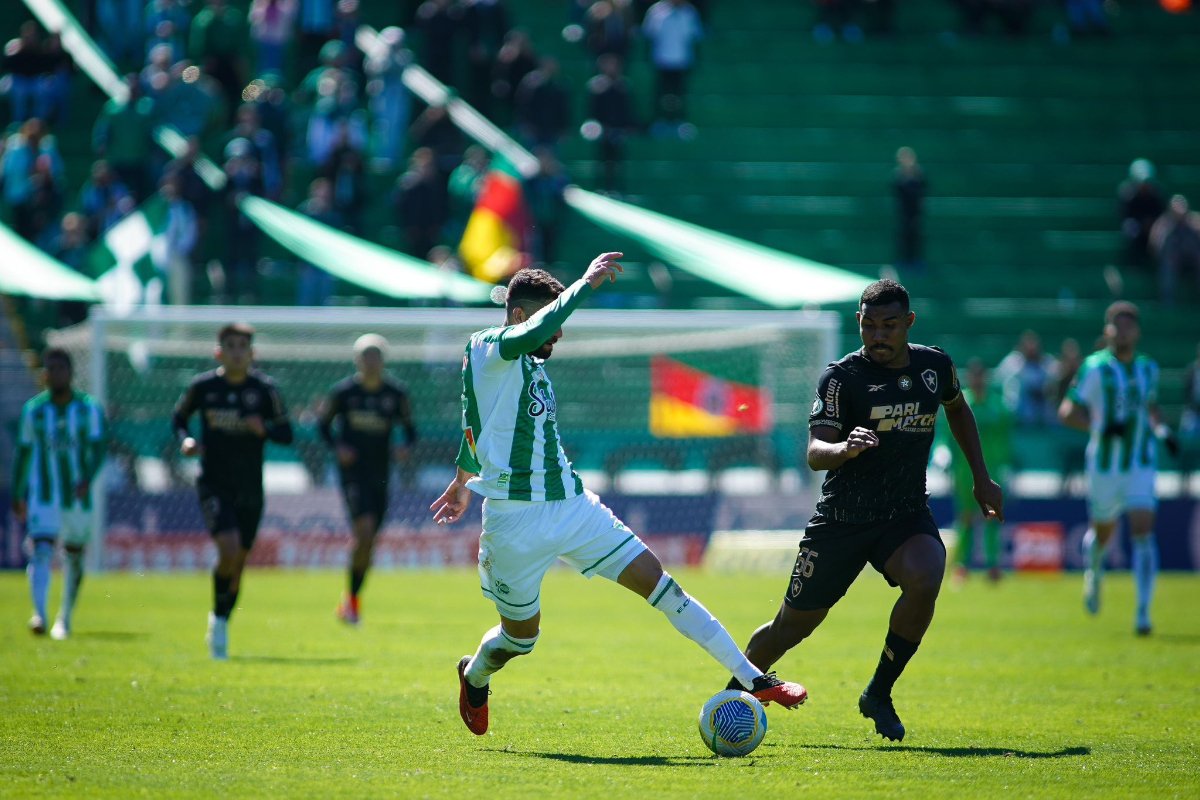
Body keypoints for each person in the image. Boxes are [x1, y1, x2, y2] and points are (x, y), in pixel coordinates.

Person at [430, 254, 808, 736]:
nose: (560, 334)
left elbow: (481, 426)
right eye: (552, 321)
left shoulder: (524, 361)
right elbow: (496, 387)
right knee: (521, 639)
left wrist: (462, 481)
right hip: (514, 521)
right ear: (523, 315)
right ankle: (475, 675)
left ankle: (754, 679)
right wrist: (585, 284)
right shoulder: (489, 346)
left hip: (572, 506)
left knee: (662, 585)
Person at [726, 279, 1004, 742]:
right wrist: (845, 448)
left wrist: (981, 476)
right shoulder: (842, 378)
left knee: (927, 574)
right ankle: (731, 695)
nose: (877, 335)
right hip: (842, 519)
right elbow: (815, 452)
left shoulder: (935, 366)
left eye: (889, 325)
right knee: (790, 627)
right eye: (868, 325)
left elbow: (957, 409)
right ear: (858, 322)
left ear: (908, 324)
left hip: (903, 513)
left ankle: (879, 692)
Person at [172, 323, 294, 659]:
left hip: (250, 487)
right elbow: (178, 417)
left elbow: (287, 433)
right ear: (219, 352)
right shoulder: (203, 387)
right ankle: (219, 625)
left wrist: (265, 430)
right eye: (231, 345)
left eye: (243, 346)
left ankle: (221, 617)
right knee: (227, 550)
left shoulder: (265, 390)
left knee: (238, 564)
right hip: (214, 482)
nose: (237, 351)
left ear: (252, 353)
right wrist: (186, 439)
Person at [1058, 302, 1179, 636]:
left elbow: (1150, 407)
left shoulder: (1148, 369)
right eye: (1116, 326)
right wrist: (1098, 428)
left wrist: (1163, 432)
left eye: (1128, 326)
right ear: (1107, 330)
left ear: (1137, 331)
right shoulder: (1094, 368)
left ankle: (1143, 613)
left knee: (1143, 530)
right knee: (1104, 533)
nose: (1122, 332)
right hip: (1104, 467)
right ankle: (1094, 571)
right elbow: (1067, 412)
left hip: (1140, 463)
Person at [318, 335, 417, 625]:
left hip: (381, 474)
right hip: (353, 475)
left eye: (376, 356)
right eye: (366, 356)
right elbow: (323, 426)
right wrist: (338, 447)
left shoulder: (396, 393)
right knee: (364, 531)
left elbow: (411, 430)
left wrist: (405, 448)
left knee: (369, 541)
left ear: (383, 361)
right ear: (357, 361)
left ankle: (351, 599)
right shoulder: (344, 393)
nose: (371, 362)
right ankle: (351, 603)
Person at [11, 348, 107, 640]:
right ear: (44, 374)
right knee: (41, 549)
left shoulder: (88, 409)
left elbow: (99, 449)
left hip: (78, 496)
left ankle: (64, 618)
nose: (55, 374)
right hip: (44, 495)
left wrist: (88, 478)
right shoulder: (35, 411)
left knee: (74, 556)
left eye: (60, 368)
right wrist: (18, 493)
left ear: (70, 373)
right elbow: (25, 453)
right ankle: (40, 613)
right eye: (50, 368)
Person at [950, 359, 1012, 584]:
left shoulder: (999, 406)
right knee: (965, 518)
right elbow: (949, 437)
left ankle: (993, 566)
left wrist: (1005, 464)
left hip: (993, 467)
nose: (977, 380)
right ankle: (962, 567)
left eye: (980, 376)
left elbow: (1005, 438)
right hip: (964, 470)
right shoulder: (960, 403)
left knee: (992, 516)